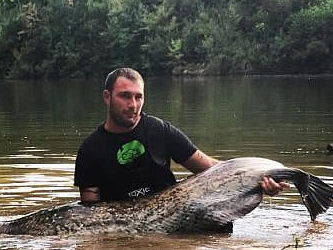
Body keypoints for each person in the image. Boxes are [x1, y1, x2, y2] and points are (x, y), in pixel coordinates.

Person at [74, 67, 286, 204]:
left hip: (174, 217)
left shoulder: (160, 130)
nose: (133, 105)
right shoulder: (90, 150)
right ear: (107, 97)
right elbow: (91, 213)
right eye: (125, 96)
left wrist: (259, 179)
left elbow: (213, 168)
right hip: (125, 228)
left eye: (139, 97)